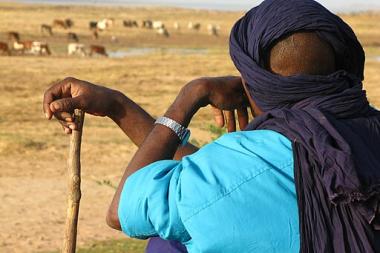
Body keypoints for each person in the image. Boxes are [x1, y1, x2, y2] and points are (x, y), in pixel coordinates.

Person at [43, 0, 380, 252]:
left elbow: (122, 210)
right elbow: (214, 179)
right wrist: (119, 107)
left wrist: (190, 96)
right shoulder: (367, 135)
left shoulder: (234, 168)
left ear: (251, 82)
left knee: (167, 242)